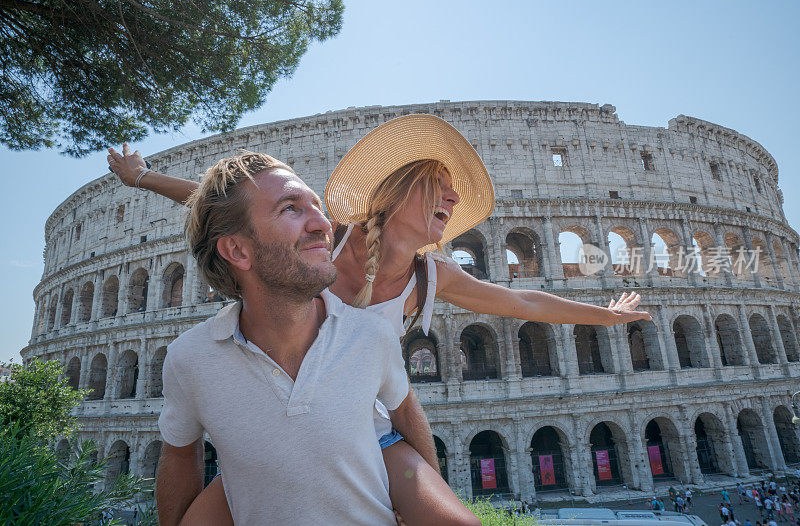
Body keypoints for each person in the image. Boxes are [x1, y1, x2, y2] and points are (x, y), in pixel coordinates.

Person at [108, 114, 651, 524]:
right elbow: (227, 207)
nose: (452, 197)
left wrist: (604, 316)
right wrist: (145, 178)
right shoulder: (330, 236)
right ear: (398, 192)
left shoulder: (433, 276)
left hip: (367, 428)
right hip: (271, 426)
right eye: (438, 185)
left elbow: (524, 303)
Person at [148, 152, 479, 525]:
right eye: (290, 209)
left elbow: (404, 411)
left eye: (318, 207)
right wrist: (143, 177)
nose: (323, 223)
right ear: (238, 249)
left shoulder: (372, 334)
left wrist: (420, 497)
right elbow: (178, 455)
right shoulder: (189, 359)